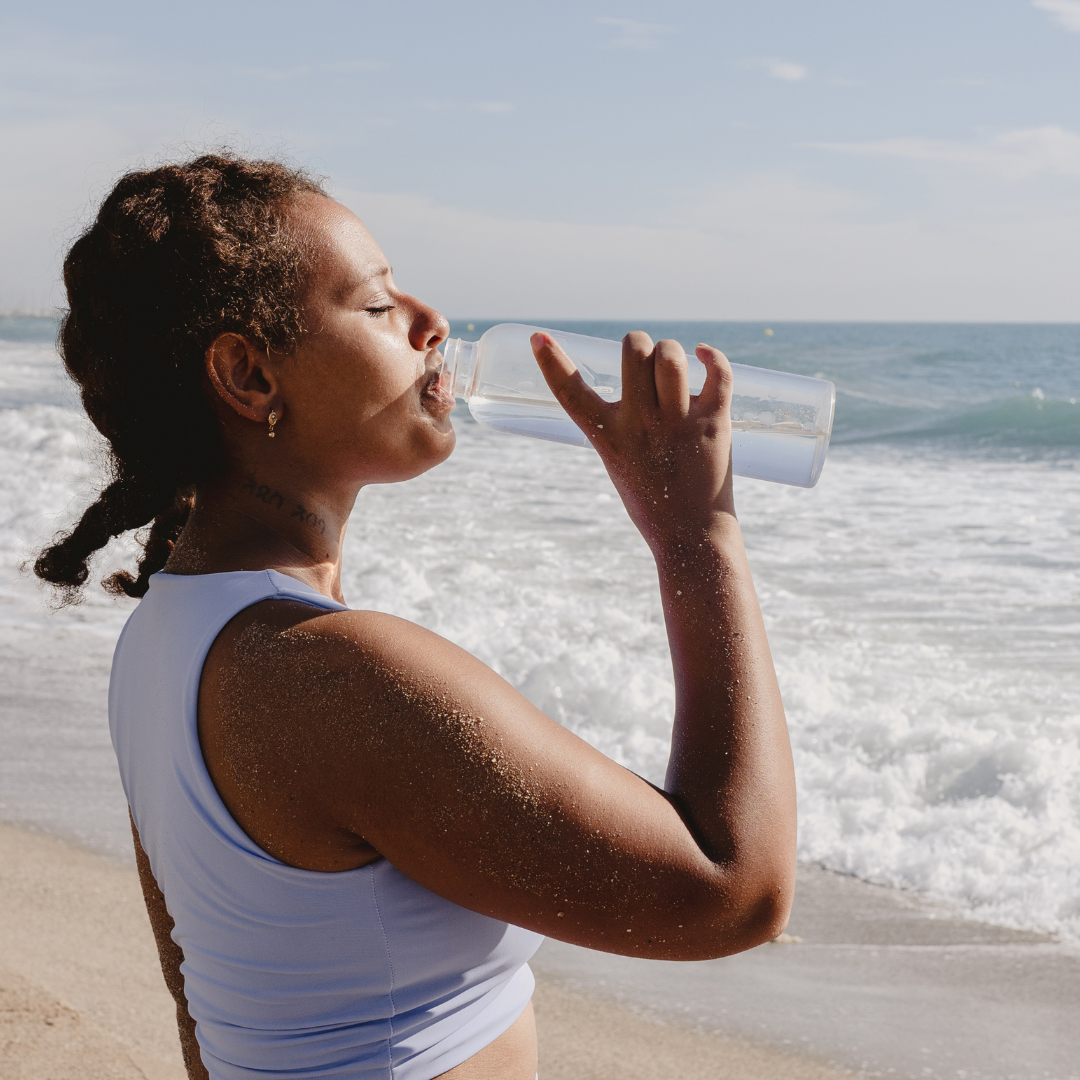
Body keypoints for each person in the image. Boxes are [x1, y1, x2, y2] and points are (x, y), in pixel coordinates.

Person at [35, 154, 797, 1080]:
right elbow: (734, 891)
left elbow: (200, 1007)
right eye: (376, 305)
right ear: (247, 374)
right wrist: (694, 532)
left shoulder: (161, 639)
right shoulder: (334, 674)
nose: (432, 322)